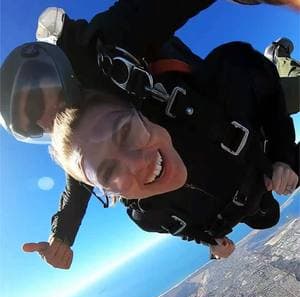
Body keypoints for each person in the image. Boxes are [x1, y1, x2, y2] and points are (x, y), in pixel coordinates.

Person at [0, 1, 299, 269]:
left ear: (53, 70)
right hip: (223, 170)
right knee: (265, 214)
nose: (46, 119)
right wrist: (62, 236)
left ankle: (278, 59)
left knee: (289, 93)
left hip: (227, 106)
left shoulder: (107, 46)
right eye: (35, 126)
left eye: (37, 99)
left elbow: (150, 9)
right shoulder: (82, 143)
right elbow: (80, 180)